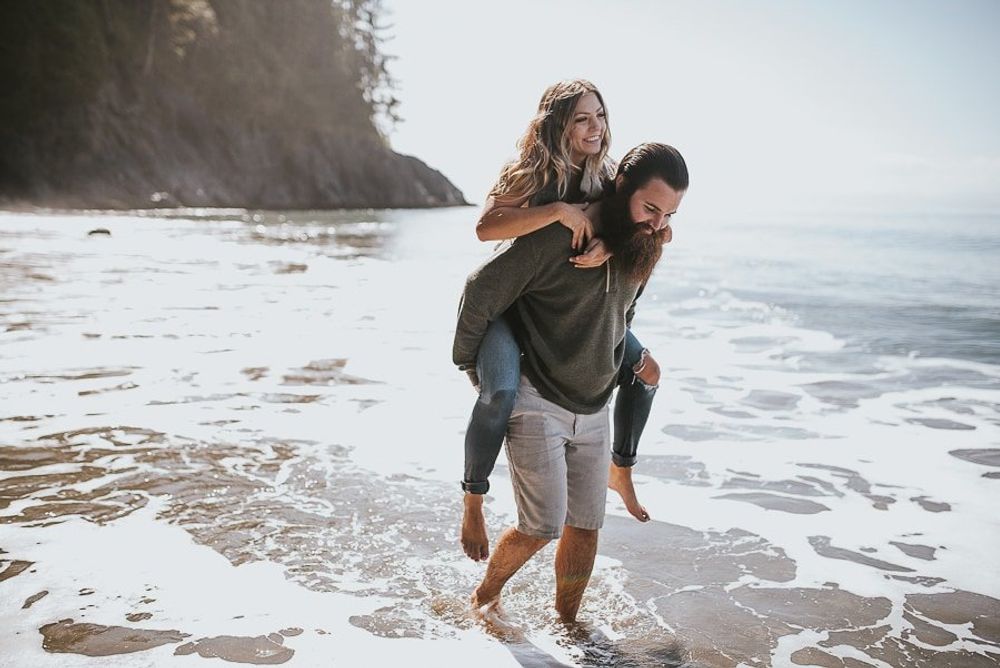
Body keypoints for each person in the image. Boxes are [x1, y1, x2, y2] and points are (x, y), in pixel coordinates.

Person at [453, 142, 689, 623]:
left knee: (585, 526)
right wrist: (472, 364)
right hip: (538, 396)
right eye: (650, 208)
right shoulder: (558, 237)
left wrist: (622, 351)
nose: (658, 224)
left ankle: (569, 628)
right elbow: (481, 289)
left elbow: (628, 305)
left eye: (668, 214)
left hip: (595, 402)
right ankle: (483, 599)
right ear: (620, 187)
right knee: (541, 527)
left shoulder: (646, 241)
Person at [462, 80, 665, 562]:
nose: (596, 128)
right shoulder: (531, 173)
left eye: (600, 116)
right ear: (560, 125)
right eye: (582, 119)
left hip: (574, 310)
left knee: (648, 372)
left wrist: (611, 242)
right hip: (513, 311)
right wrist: (556, 211)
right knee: (500, 393)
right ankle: (473, 501)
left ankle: (622, 468)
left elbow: (644, 226)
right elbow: (485, 228)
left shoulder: (610, 174)